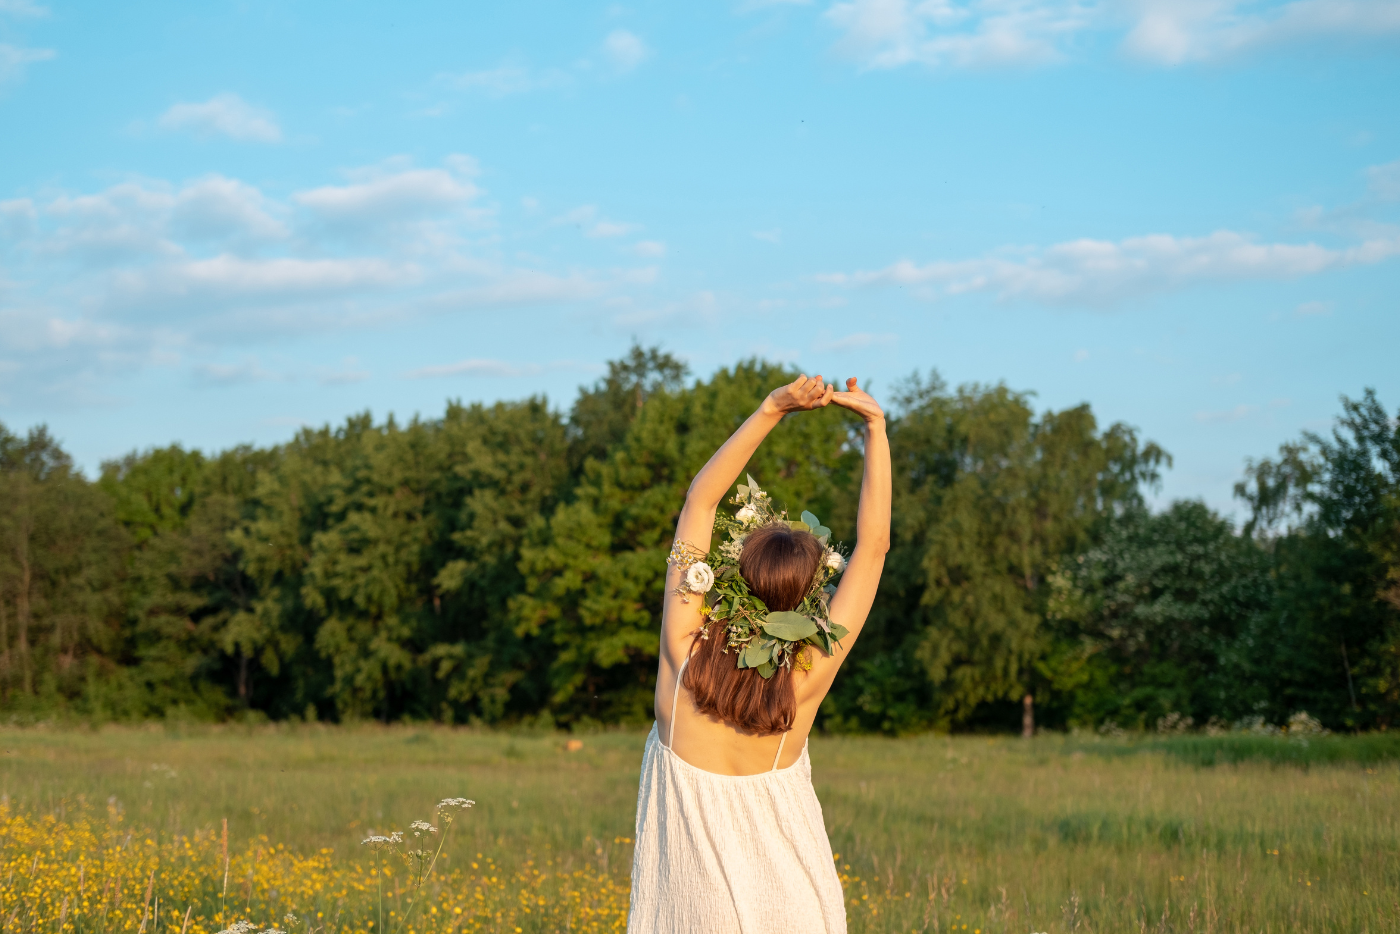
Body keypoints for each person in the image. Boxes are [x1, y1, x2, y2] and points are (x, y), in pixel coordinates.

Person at [626, 374, 891, 934]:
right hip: (797, 908)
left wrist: (774, 407)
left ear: (738, 578)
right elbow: (874, 548)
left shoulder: (681, 654)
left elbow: (701, 499)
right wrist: (875, 428)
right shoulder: (808, 673)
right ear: (808, 599)